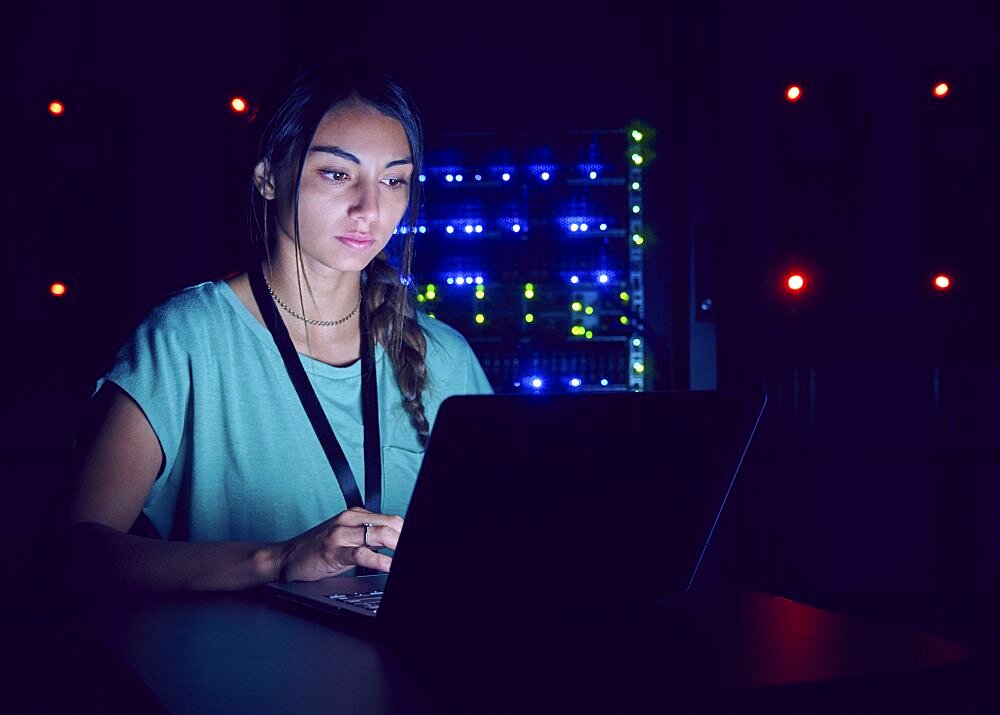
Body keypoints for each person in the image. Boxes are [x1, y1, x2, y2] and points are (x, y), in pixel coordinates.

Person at [59, 66, 493, 593]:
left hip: (407, 670)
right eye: (337, 173)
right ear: (268, 176)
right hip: (233, 673)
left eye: (394, 180)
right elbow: (74, 551)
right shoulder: (186, 339)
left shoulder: (446, 356)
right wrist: (275, 560)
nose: (369, 208)